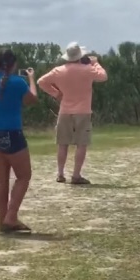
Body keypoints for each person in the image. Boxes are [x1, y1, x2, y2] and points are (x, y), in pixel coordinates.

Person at [37, 42, 108, 185]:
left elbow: (41, 82)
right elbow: (103, 76)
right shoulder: (87, 69)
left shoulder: (58, 70)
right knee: (81, 144)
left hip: (65, 110)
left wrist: (56, 93)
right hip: (83, 111)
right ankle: (76, 175)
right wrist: (95, 63)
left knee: (62, 144)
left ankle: (60, 173)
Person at [0, 48, 38, 233]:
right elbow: (31, 100)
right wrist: (31, 79)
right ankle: (11, 217)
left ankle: (3, 218)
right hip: (13, 133)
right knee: (23, 176)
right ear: (14, 65)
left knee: (1, 180)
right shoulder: (18, 82)